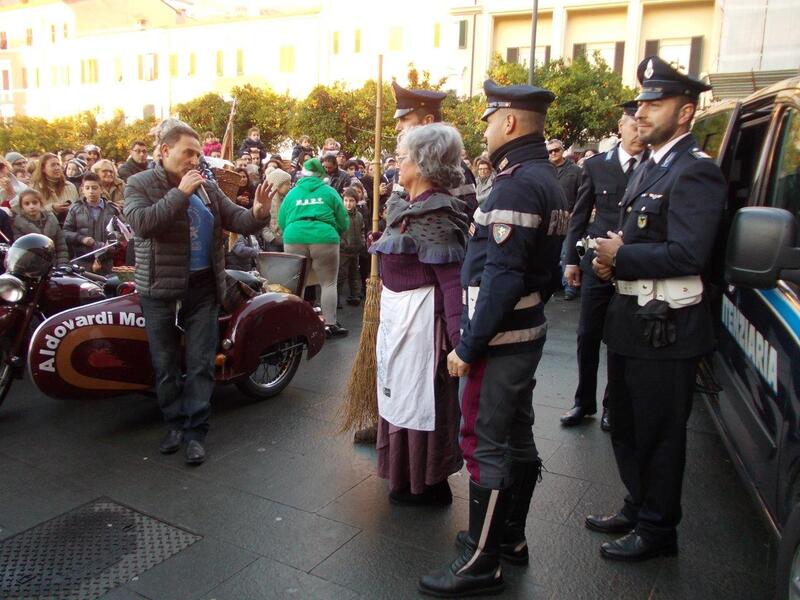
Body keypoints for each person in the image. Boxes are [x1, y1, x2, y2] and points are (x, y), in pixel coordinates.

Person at [419, 80, 567, 597]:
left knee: (485, 444)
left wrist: (468, 346)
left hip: (500, 337)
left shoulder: (517, 184)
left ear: (508, 122)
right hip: (524, 330)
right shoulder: (542, 178)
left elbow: (502, 277)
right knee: (516, 435)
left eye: (488, 119)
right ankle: (508, 538)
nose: (483, 129)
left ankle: (481, 561)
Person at [587, 56, 725, 562]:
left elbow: (690, 253)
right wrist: (612, 260)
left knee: (660, 432)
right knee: (624, 422)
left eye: (654, 102)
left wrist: (622, 256)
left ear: (686, 112)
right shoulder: (651, 163)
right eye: (640, 102)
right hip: (633, 320)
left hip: (668, 326)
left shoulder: (695, 171)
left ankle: (658, 529)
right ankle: (638, 504)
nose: (641, 112)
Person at [124, 120, 273, 466]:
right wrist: (180, 193)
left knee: (202, 362)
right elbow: (144, 224)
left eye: (196, 154)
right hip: (160, 289)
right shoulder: (139, 183)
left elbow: (236, 218)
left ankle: (195, 432)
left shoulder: (206, 186)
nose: (194, 160)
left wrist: (259, 213)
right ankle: (174, 423)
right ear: (164, 152)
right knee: (165, 364)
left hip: (204, 286)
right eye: (187, 153)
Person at [369, 123, 468, 506]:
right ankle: (402, 474)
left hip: (424, 327)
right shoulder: (405, 207)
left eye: (406, 156)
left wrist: (460, 346)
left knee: (422, 403)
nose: (399, 162)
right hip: (398, 320)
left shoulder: (438, 214)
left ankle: (427, 482)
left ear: (424, 165)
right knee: (396, 396)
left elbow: (453, 283)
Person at [560, 101, 647, 431]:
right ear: (620, 126)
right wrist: (571, 261)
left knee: (621, 337)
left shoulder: (653, 167)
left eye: (643, 125)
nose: (638, 131)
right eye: (632, 124)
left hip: (631, 265)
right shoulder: (596, 166)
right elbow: (579, 216)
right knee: (587, 334)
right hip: (595, 262)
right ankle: (583, 401)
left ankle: (614, 403)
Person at [279, 158, 349, 338]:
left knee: (296, 284)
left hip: (294, 236)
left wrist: (290, 233)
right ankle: (330, 324)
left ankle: (294, 324)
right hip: (324, 237)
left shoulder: (292, 193)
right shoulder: (329, 191)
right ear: (321, 175)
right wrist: (338, 232)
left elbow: (281, 219)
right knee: (328, 283)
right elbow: (343, 219)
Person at [390, 82, 478, 216]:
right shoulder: (406, 163)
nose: (398, 127)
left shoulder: (451, 168)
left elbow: (464, 220)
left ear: (428, 121)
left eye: (404, 119)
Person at [63, 172, 120, 275]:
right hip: (82, 261)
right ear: (82, 190)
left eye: (94, 188)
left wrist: (111, 245)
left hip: (106, 261)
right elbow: (66, 232)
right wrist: (81, 238)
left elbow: (121, 232)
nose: (91, 191)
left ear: (101, 189)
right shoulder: (75, 209)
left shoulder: (112, 209)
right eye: (87, 188)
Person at [548, 138, 582, 300]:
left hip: (570, 217)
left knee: (566, 252)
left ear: (563, 150)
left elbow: (583, 195)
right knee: (551, 253)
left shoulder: (575, 171)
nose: (553, 153)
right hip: (551, 218)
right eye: (550, 151)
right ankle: (555, 284)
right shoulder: (545, 171)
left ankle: (570, 285)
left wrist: (576, 212)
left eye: (556, 150)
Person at [11, 188, 69, 264]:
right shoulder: (18, 224)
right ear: (22, 207)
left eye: (35, 203)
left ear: (41, 203)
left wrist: (62, 263)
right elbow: (21, 249)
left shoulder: (52, 219)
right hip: (31, 266)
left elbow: (61, 245)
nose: (31, 206)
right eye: (27, 204)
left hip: (54, 264)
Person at [30, 152, 79, 222]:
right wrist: (52, 208)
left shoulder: (70, 186)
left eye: (58, 164)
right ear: (43, 168)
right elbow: (29, 212)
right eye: (53, 165)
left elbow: (78, 208)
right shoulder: (34, 188)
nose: (57, 168)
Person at [338, 187, 365, 307]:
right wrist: (342, 244)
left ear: (356, 201)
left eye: (351, 201)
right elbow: (336, 232)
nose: (348, 204)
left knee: (354, 275)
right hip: (343, 251)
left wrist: (362, 242)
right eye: (346, 200)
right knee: (340, 276)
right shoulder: (340, 216)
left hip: (356, 249)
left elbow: (362, 230)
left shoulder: (359, 216)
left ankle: (354, 296)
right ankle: (336, 299)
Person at [261, 168, 291, 251]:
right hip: (272, 243)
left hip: (287, 241)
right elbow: (262, 224)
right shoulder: (268, 200)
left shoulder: (289, 200)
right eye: (287, 184)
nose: (290, 186)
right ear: (278, 185)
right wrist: (271, 238)